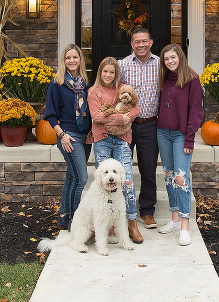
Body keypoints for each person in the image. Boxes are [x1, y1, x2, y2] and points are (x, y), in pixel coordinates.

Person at [87, 57, 143, 243]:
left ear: (116, 73)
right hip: (102, 140)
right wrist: (122, 119)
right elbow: (96, 116)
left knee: (126, 180)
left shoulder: (123, 89)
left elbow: (136, 110)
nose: (108, 75)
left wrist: (125, 118)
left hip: (122, 140)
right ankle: (109, 227)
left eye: (112, 72)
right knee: (104, 182)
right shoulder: (94, 91)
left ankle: (132, 224)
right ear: (100, 72)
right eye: (105, 71)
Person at [155, 43, 204, 246]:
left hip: (181, 135)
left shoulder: (192, 79)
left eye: (173, 58)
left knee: (181, 177)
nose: (170, 62)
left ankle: (185, 225)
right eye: (166, 59)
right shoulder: (164, 78)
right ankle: (174, 219)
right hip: (162, 133)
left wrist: (190, 137)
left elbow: (196, 111)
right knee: (168, 175)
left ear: (180, 57)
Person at [44, 44, 92, 231]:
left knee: (72, 176)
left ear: (80, 60)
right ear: (63, 61)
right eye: (68, 58)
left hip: (85, 135)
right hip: (68, 135)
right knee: (81, 178)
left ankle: (63, 215)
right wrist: (61, 135)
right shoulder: (56, 83)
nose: (72, 61)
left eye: (75, 57)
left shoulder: (86, 84)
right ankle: (74, 217)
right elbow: (50, 114)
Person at [119, 27, 160, 229]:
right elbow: (109, 87)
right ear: (132, 44)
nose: (141, 45)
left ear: (151, 42)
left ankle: (147, 210)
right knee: (121, 169)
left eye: (144, 41)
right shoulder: (123, 65)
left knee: (148, 168)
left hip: (151, 124)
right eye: (137, 42)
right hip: (126, 125)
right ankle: (121, 209)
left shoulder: (161, 64)